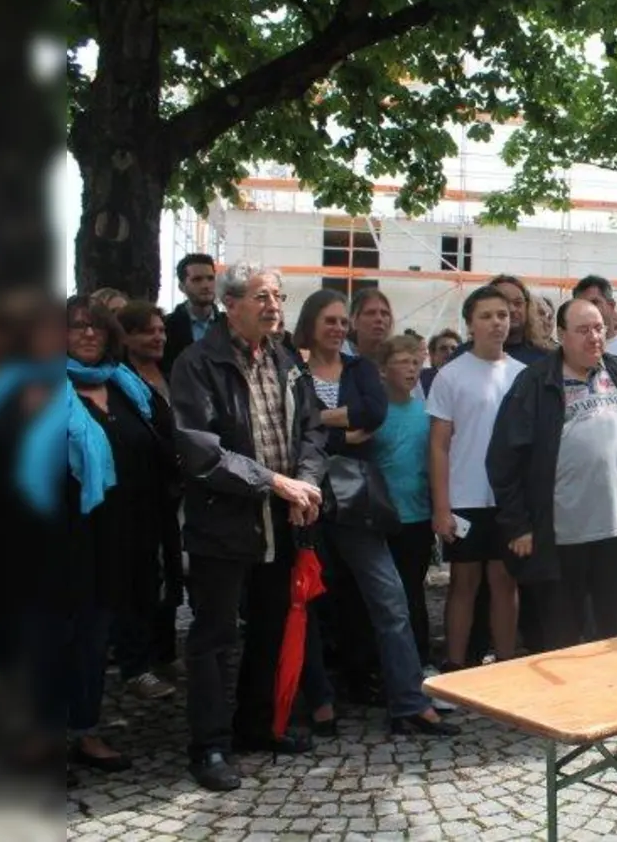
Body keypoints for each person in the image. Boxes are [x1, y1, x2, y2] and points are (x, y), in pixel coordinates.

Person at [170, 263, 328, 791]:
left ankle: (258, 725)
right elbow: (201, 451)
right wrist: (275, 483)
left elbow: (311, 430)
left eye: (280, 296)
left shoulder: (286, 359)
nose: (275, 306)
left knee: (272, 626)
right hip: (224, 524)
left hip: (282, 523)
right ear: (230, 302)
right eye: (262, 295)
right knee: (214, 638)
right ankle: (209, 747)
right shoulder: (198, 363)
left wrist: (304, 482)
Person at [294, 290, 457, 737]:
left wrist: (315, 423)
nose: (336, 328)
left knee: (390, 599)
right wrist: (338, 429)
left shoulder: (360, 368)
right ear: (309, 325)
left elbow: (373, 411)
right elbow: (295, 421)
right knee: (307, 602)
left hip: (352, 499)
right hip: (301, 498)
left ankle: (407, 700)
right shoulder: (289, 370)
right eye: (327, 321)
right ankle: (319, 698)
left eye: (340, 321)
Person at [488, 298, 617, 649]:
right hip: (562, 536)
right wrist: (517, 524)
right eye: (582, 330)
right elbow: (503, 458)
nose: (594, 337)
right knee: (562, 636)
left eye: (598, 328)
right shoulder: (535, 382)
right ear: (561, 335)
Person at [65, 295, 178, 774]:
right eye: (76, 327)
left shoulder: (128, 387)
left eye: (96, 327)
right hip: (61, 538)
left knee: (93, 640)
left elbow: (167, 443)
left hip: (124, 538)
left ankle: (84, 732)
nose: (88, 334)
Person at [427, 286, 528, 667]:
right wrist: (441, 507)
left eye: (502, 314)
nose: (496, 322)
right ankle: (455, 665)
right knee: (464, 584)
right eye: (486, 316)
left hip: (507, 500)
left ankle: (504, 664)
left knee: (505, 582)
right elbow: (438, 445)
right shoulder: (450, 376)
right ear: (470, 324)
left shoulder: (523, 375)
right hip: (465, 497)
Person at [114, 301, 186, 697]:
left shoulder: (169, 373)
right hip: (137, 493)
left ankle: (164, 651)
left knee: (170, 571)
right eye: (147, 331)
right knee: (140, 578)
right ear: (125, 337)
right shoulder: (120, 381)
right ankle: (135, 664)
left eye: (160, 330)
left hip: (170, 490)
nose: (157, 337)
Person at [376, 335, 437, 673]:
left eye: (416, 362)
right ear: (383, 370)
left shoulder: (426, 411)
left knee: (413, 592)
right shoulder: (374, 412)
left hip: (418, 516)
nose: (412, 368)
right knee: (386, 597)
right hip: (383, 519)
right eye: (403, 361)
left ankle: (419, 661)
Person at [163, 253, 223, 377]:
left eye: (210, 278)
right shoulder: (166, 327)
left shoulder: (230, 325)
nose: (206, 285)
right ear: (181, 286)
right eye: (197, 279)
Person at [344, 288, 395, 362]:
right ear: (354, 321)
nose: (379, 319)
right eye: (370, 313)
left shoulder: (402, 363)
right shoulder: (341, 362)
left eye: (384, 314)